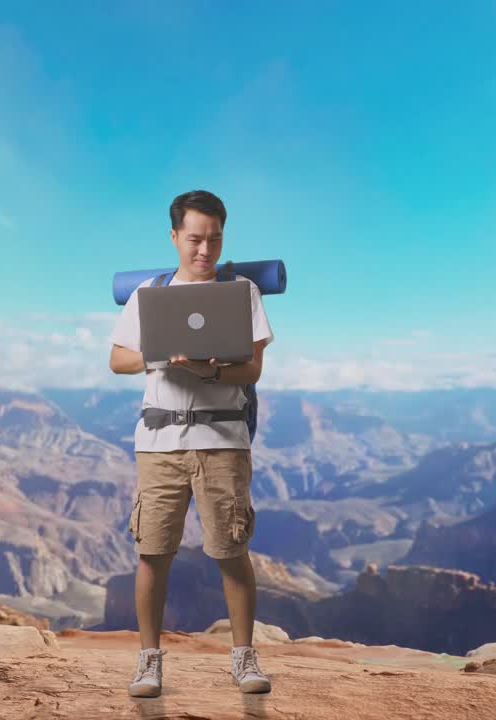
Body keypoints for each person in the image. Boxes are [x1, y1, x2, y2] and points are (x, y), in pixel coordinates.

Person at [108, 189, 275, 698]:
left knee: (230, 549)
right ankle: (148, 662)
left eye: (216, 239)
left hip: (222, 439)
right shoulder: (148, 295)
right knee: (152, 552)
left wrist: (213, 369)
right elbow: (118, 359)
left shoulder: (242, 290)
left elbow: (254, 367)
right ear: (175, 237)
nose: (206, 250)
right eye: (196, 239)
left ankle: (244, 660)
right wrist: (157, 357)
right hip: (159, 443)